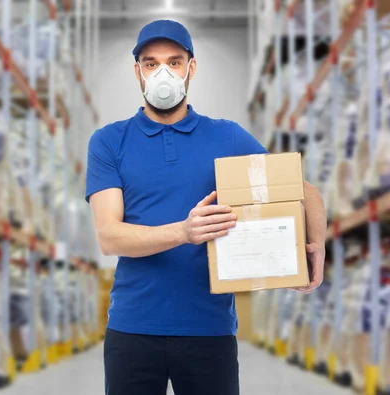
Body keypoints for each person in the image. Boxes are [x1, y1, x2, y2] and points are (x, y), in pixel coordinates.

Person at [85, 19, 327, 395]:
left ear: (191, 68)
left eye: (174, 61)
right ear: (138, 72)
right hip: (133, 330)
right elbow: (109, 237)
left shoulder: (226, 136)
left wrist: (315, 248)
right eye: (151, 63)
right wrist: (185, 232)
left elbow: (303, 191)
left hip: (209, 331)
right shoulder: (109, 141)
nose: (162, 72)